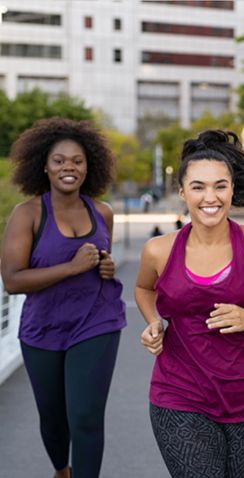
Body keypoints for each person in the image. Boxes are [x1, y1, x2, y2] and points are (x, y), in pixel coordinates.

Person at [135, 129, 244, 478]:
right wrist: (154, 321)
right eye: (198, 186)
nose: (209, 197)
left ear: (232, 190)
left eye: (220, 186)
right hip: (179, 393)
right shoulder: (158, 250)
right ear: (182, 192)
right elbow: (143, 288)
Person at [0, 117, 126, 478]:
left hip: (97, 322)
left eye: (77, 160)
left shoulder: (102, 212)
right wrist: (71, 268)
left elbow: (102, 261)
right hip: (44, 328)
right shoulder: (27, 215)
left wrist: (106, 267)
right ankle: (61, 469)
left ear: (89, 167)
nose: (68, 167)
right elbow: (12, 280)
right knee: (54, 420)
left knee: (86, 416)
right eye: (59, 160)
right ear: (44, 165)